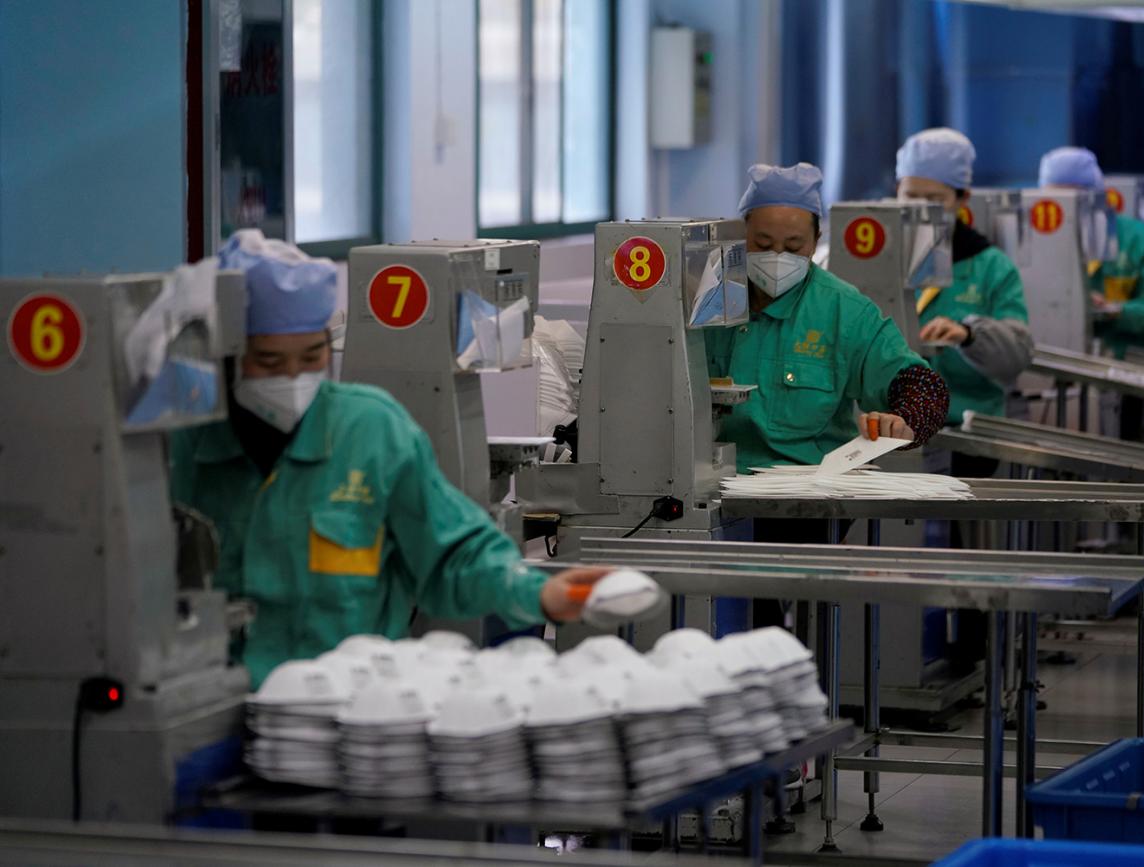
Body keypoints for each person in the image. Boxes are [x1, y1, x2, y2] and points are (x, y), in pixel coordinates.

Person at [170, 231, 608, 688]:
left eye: (311, 356)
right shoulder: (185, 445)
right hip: (211, 708)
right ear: (226, 357)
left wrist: (541, 593)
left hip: (348, 709)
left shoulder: (370, 432)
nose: (294, 377)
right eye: (269, 362)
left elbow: (455, 553)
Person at [705, 162, 950, 475]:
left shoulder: (843, 312)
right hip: (709, 485)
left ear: (816, 240)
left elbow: (924, 386)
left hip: (805, 493)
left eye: (794, 246)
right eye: (763, 244)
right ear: (741, 235)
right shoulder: (707, 299)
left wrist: (903, 421)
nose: (778, 256)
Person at [1040, 147, 1144, 440]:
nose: (1068, 212)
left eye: (1077, 201)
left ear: (1097, 199)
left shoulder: (1138, 241)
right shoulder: (1034, 244)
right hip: (1053, 374)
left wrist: (1117, 311)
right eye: (1058, 201)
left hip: (1128, 377)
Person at [896, 128, 1033, 441]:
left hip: (966, 430)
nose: (921, 210)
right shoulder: (875, 261)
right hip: (888, 428)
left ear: (962, 199)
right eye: (911, 196)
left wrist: (970, 334)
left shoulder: (991, 267)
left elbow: (1018, 354)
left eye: (934, 200)